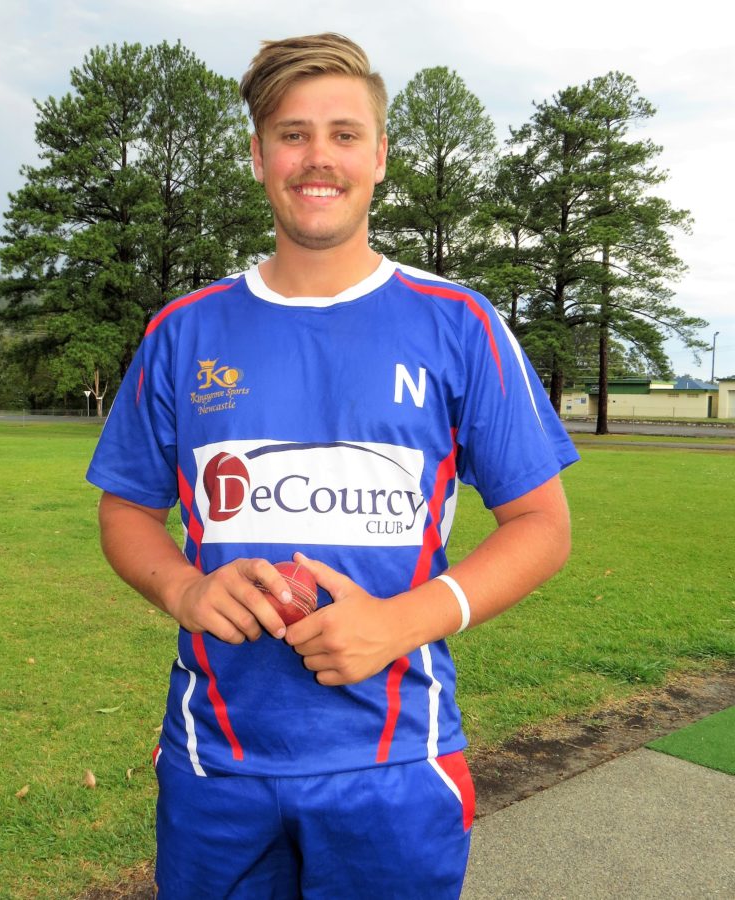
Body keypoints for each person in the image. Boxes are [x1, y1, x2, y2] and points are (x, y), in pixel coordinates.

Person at [87, 32, 579, 899]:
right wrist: (186, 591)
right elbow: (127, 509)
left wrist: (398, 623)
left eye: (344, 134)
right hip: (217, 766)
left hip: (397, 764)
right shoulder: (183, 331)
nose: (319, 157)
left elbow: (542, 526)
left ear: (379, 155)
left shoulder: (460, 324)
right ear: (258, 156)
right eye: (294, 134)